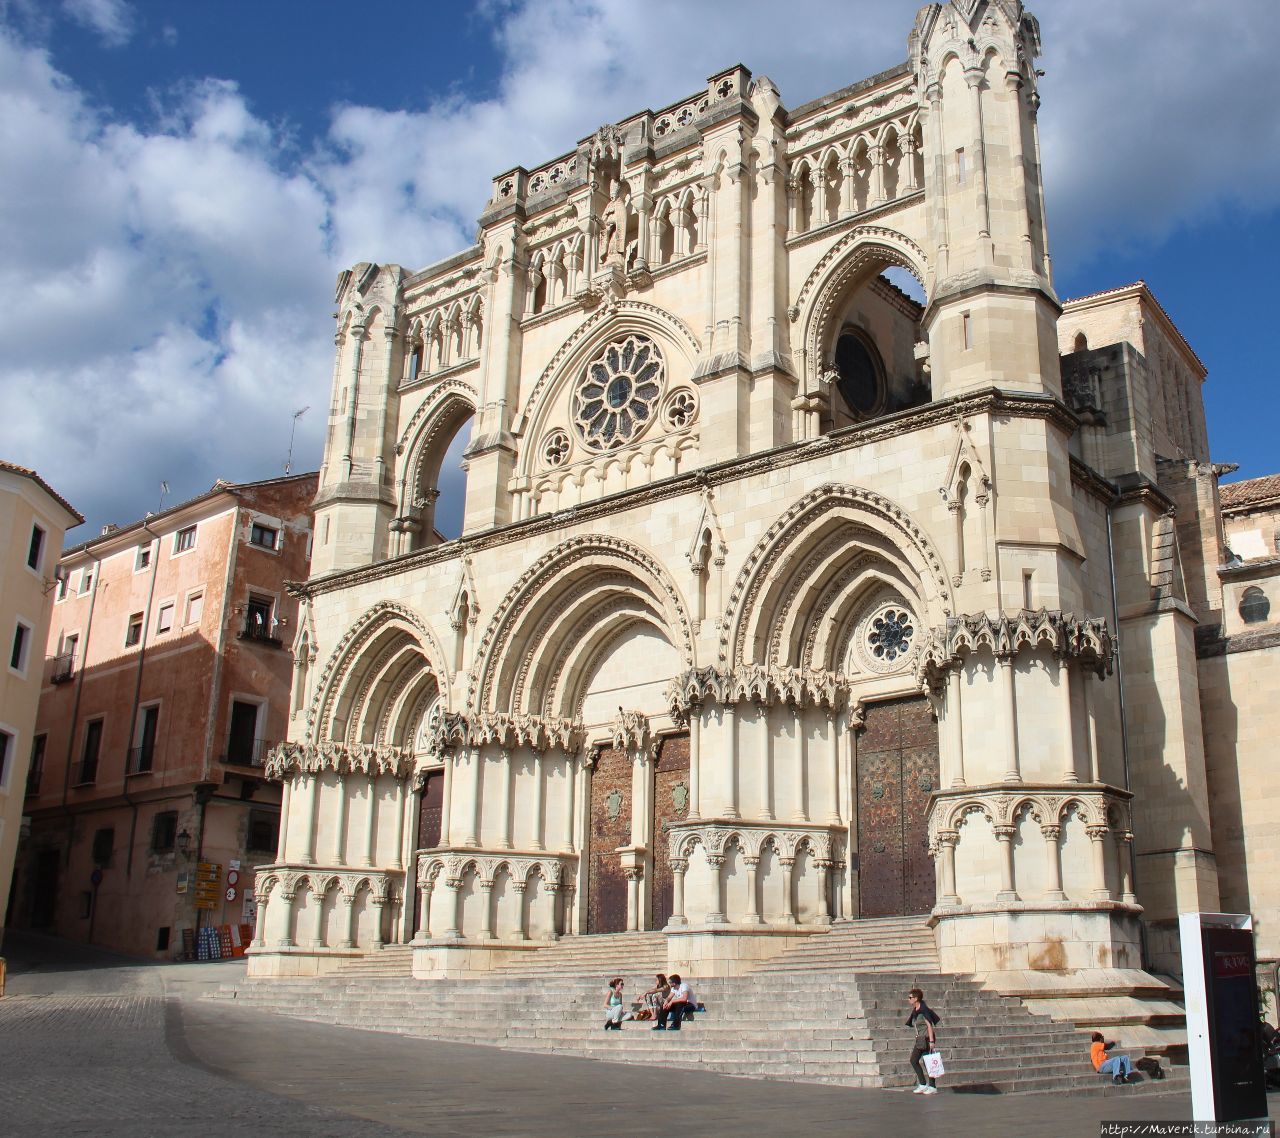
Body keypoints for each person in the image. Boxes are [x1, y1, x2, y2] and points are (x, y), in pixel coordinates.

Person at [906, 987, 940, 1094]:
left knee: (927, 1062)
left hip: (926, 1038)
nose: (909, 999)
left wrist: (931, 1041)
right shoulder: (915, 1011)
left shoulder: (924, 1010)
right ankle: (923, 1084)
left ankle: (932, 1086)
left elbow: (929, 1025)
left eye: (910, 997)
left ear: (916, 999)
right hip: (920, 1039)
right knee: (914, 1060)